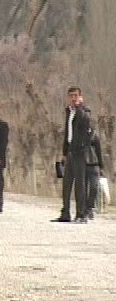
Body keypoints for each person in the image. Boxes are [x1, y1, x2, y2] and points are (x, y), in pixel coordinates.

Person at [54, 86, 91, 223]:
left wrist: (80, 107)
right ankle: (65, 213)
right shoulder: (69, 112)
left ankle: (81, 214)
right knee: (66, 183)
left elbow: (86, 124)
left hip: (80, 152)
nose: (73, 98)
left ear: (80, 97)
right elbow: (67, 133)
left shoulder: (84, 111)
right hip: (69, 151)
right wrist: (64, 152)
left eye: (76, 95)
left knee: (79, 184)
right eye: (71, 96)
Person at [85, 119, 104, 220]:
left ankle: (89, 207)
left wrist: (101, 167)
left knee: (94, 187)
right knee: (82, 188)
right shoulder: (79, 137)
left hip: (94, 165)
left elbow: (99, 152)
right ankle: (84, 209)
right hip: (83, 165)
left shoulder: (95, 137)